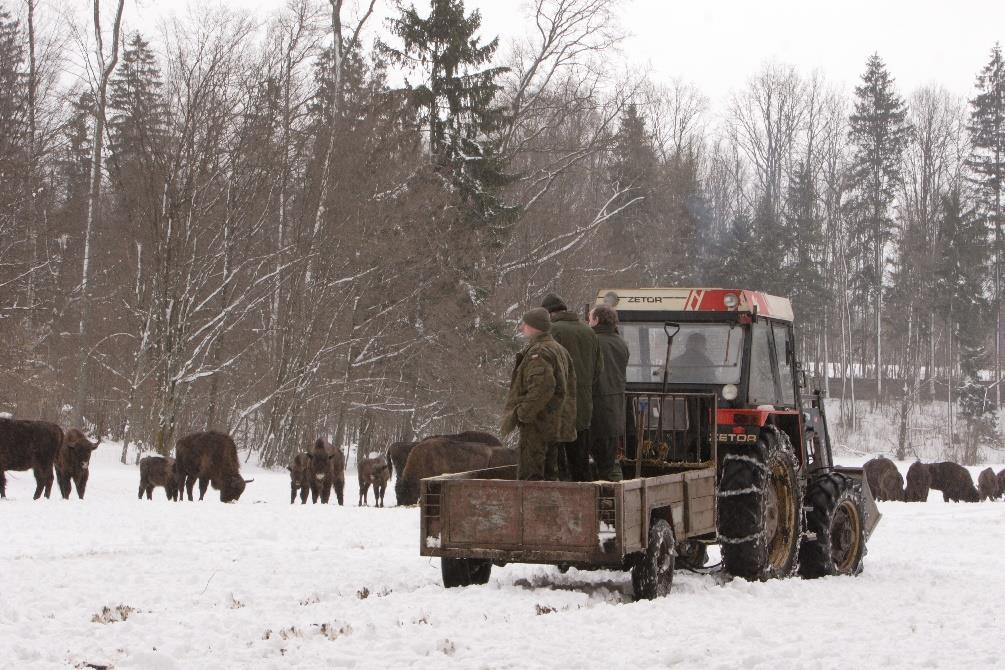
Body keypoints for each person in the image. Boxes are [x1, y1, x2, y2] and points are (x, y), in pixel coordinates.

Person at [500, 308, 577, 480]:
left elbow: (542, 388)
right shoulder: (558, 349)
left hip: (538, 425)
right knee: (549, 475)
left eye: (525, 324)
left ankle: (532, 507)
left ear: (535, 327)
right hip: (554, 423)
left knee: (531, 476)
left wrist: (523, 414)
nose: (521, 328)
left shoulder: (540, 352)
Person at [542, 293, 602, 482]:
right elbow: (598, 369)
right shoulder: (589, 332)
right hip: (583, 406)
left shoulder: (551, 332)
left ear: (548, 313)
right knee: (581, 463)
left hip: (558, 409)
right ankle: (587, 504)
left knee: (557, 467)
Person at [589, 305, 629, 481]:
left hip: (595, 407)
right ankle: (617, 495)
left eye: (590, 318)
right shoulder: (621, 343)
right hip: (614, 410)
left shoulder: (593, 342)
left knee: (600, 463)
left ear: (597, 320)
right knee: (610, 460)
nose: (588, 322)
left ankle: (607, 497)